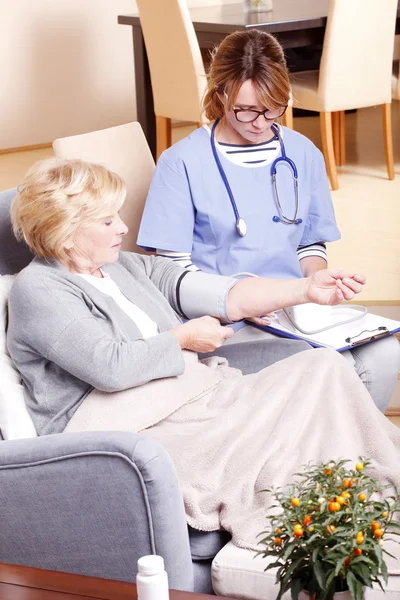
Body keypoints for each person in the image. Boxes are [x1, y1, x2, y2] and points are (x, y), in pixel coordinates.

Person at [7, 158, 400, 555]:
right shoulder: (38, 289)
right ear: (65, 229)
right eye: (107, 220)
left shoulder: (123, 266)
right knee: (276, 432)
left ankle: (373, 490)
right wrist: (182, 338)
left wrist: (304, 289)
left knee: (323, 365)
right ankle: (329, 519)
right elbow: (109, 366)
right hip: (129, 422)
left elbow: (217, 293)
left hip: (193, 393)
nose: (124, 227)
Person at [136, 29, 400, 413]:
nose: (260, 122)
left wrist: (316, 281)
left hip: (297, 310)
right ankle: (320, 466)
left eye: (273, 108)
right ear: (221, 92)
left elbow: (308, 244)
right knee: (334, 368)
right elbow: (171, 273)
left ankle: (351, 468)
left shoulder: (301, 152)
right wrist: (244, 298)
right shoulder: (181, 164)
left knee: (384, 354)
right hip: (227, 322)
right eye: (246, 109)